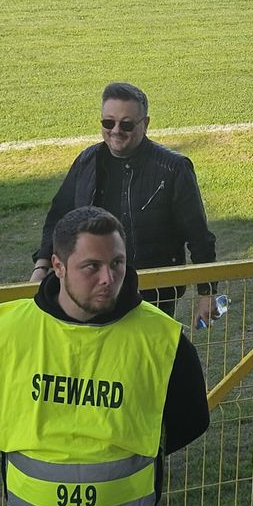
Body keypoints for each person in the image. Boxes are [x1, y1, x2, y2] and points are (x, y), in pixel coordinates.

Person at [0, 206, 210, 506]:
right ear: (58, 266)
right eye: (91, 266)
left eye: (117, 263)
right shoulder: (7, 335)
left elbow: (191, 420)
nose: (108, 278)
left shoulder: (163, 339)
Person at [30, 82, 217, 325]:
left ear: (145, 124)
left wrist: (207, 292)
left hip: (149, 294)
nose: (116, 130)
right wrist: (41, 266)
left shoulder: (174, 169)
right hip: (90, 289)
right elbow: (59, 218)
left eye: (126, 124)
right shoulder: (87, 160)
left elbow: (198, 235)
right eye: (108, 123)